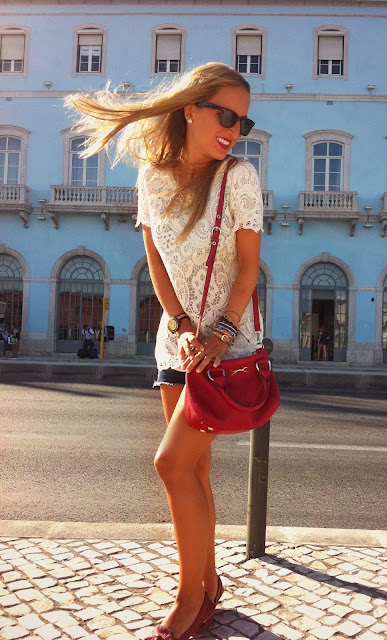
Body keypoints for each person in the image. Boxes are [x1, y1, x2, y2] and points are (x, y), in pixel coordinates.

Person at [67, 62, 263, 640]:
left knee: (170, 463)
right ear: (191, 109)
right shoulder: (151, 177)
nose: (234, 129)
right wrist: (179, 324)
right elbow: (156, 260)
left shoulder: (239, 177)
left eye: (243, 121)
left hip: (225, 344)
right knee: (194, 469)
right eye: (226, 114)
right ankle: (209, 582)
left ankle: (189, 600)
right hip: (176, 340)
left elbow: (249, 268)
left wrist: (218, 332)